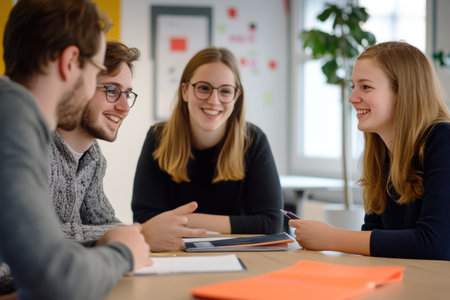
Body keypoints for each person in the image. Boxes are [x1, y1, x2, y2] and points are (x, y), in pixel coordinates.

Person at [0, 1, 151, 299]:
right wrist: (122, 253)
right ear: (70, 62)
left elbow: (42, 259)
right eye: (96, 71)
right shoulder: (12, 121)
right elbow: (56, 282)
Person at [289, 41, 450, 260]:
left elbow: (436, 243)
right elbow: (374, 234)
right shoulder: (382, 152)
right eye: (353, 86)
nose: (352, 98)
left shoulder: (443, 139)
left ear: (404, 93)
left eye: (365, 87)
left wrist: (331, 238)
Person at [49, 40, 205, 251]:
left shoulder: (93, 157)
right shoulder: (36, 148)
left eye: (127, 94)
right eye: (112, 91)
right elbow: (32, 236)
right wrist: (143, 234)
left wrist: (142, 234)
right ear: (78, 86)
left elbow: (103, 223)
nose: (124, 107)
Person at [132, 47, 283, 234]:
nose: (214, 100)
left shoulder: (253, 140)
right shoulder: (158, 137)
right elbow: (144, 220)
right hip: (175, 254)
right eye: (203, 88)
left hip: (241, 257)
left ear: (236, 96)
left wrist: (189, 220)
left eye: (225, 91)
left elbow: (271, 223)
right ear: (185, 91)